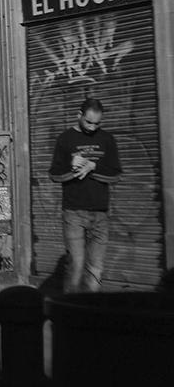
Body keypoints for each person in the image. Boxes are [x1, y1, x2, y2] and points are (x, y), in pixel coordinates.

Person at [48, 98, 122, 293]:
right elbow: (54, 175)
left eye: (97, 123)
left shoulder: (107, 139)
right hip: (74, 213)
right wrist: (71, 166)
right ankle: (69, 308)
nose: (92, 127)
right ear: (79, 115)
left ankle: (91, 309)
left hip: (100, 213)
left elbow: (116, 175)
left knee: (96, 268)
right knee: (76, 265)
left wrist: (93, 166)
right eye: (88, 122)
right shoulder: (65, 139)